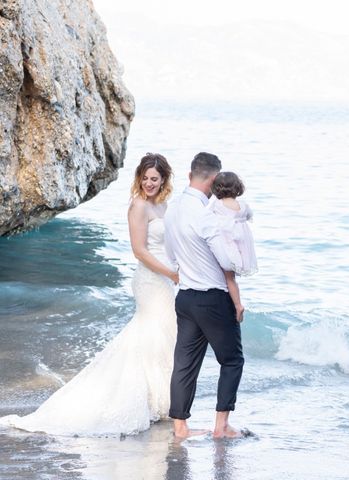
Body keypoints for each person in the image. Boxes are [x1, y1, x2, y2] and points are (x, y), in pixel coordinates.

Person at [0, 153, 179, 436]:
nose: (148, 183)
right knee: (151, 332)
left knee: (164, 335)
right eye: (144, 178)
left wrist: (180, 266)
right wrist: (171, 273)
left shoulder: (165, 206)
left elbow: (171, 243)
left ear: (164, 179)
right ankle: (150, 401)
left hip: (166, 279)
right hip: (150, 279)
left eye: (154, 179)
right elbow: (139, 251)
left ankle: (161, 399)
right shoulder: (138, 206)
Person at [164, 152, 245, 439]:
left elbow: (171, 255)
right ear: (213, 180)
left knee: (184, 364)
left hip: (185, 298)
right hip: (212, 298)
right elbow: (227, 261)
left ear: (190, 175)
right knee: (232, 360)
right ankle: (221, 426)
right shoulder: (208, 214)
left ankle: (180, 427)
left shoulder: (172, 209)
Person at [207, 171, 258, 323]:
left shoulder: (217, 205)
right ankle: (235, 302)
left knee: (227, 278)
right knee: (232, 278)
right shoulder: (242, 205)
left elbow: (205, 218)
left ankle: (237, 305)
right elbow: (249, 216)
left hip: (227, 244)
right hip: (241, 246)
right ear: (237, 188)